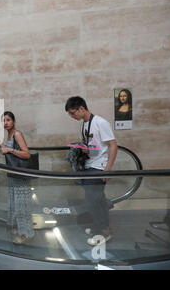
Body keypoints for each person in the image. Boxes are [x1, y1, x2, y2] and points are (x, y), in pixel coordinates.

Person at [65, 96, 117, 246]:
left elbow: (113, 145)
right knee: (95, 200)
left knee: (94, 200)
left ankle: (105, 232)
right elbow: (92, 145)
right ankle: (98, 226)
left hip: (99, 167)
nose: (72, 116)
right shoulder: (83, 125)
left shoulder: (101, 122)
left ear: (82, 108)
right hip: (89, 165)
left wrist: (107, 169)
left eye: (73, 113)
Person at [0, 111, 35, 244]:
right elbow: (9, 152)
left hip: (20, 176)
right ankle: (20, 228)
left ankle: (27, 234)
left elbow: (27, 154)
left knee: (22, 205)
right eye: (3, 121)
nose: (5, 123)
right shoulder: (9, 135)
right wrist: (2, 146)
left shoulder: (17, 134)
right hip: (13, 175)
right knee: (15, 204)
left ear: (14, 121)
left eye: (8, 120)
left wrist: (9, 150)